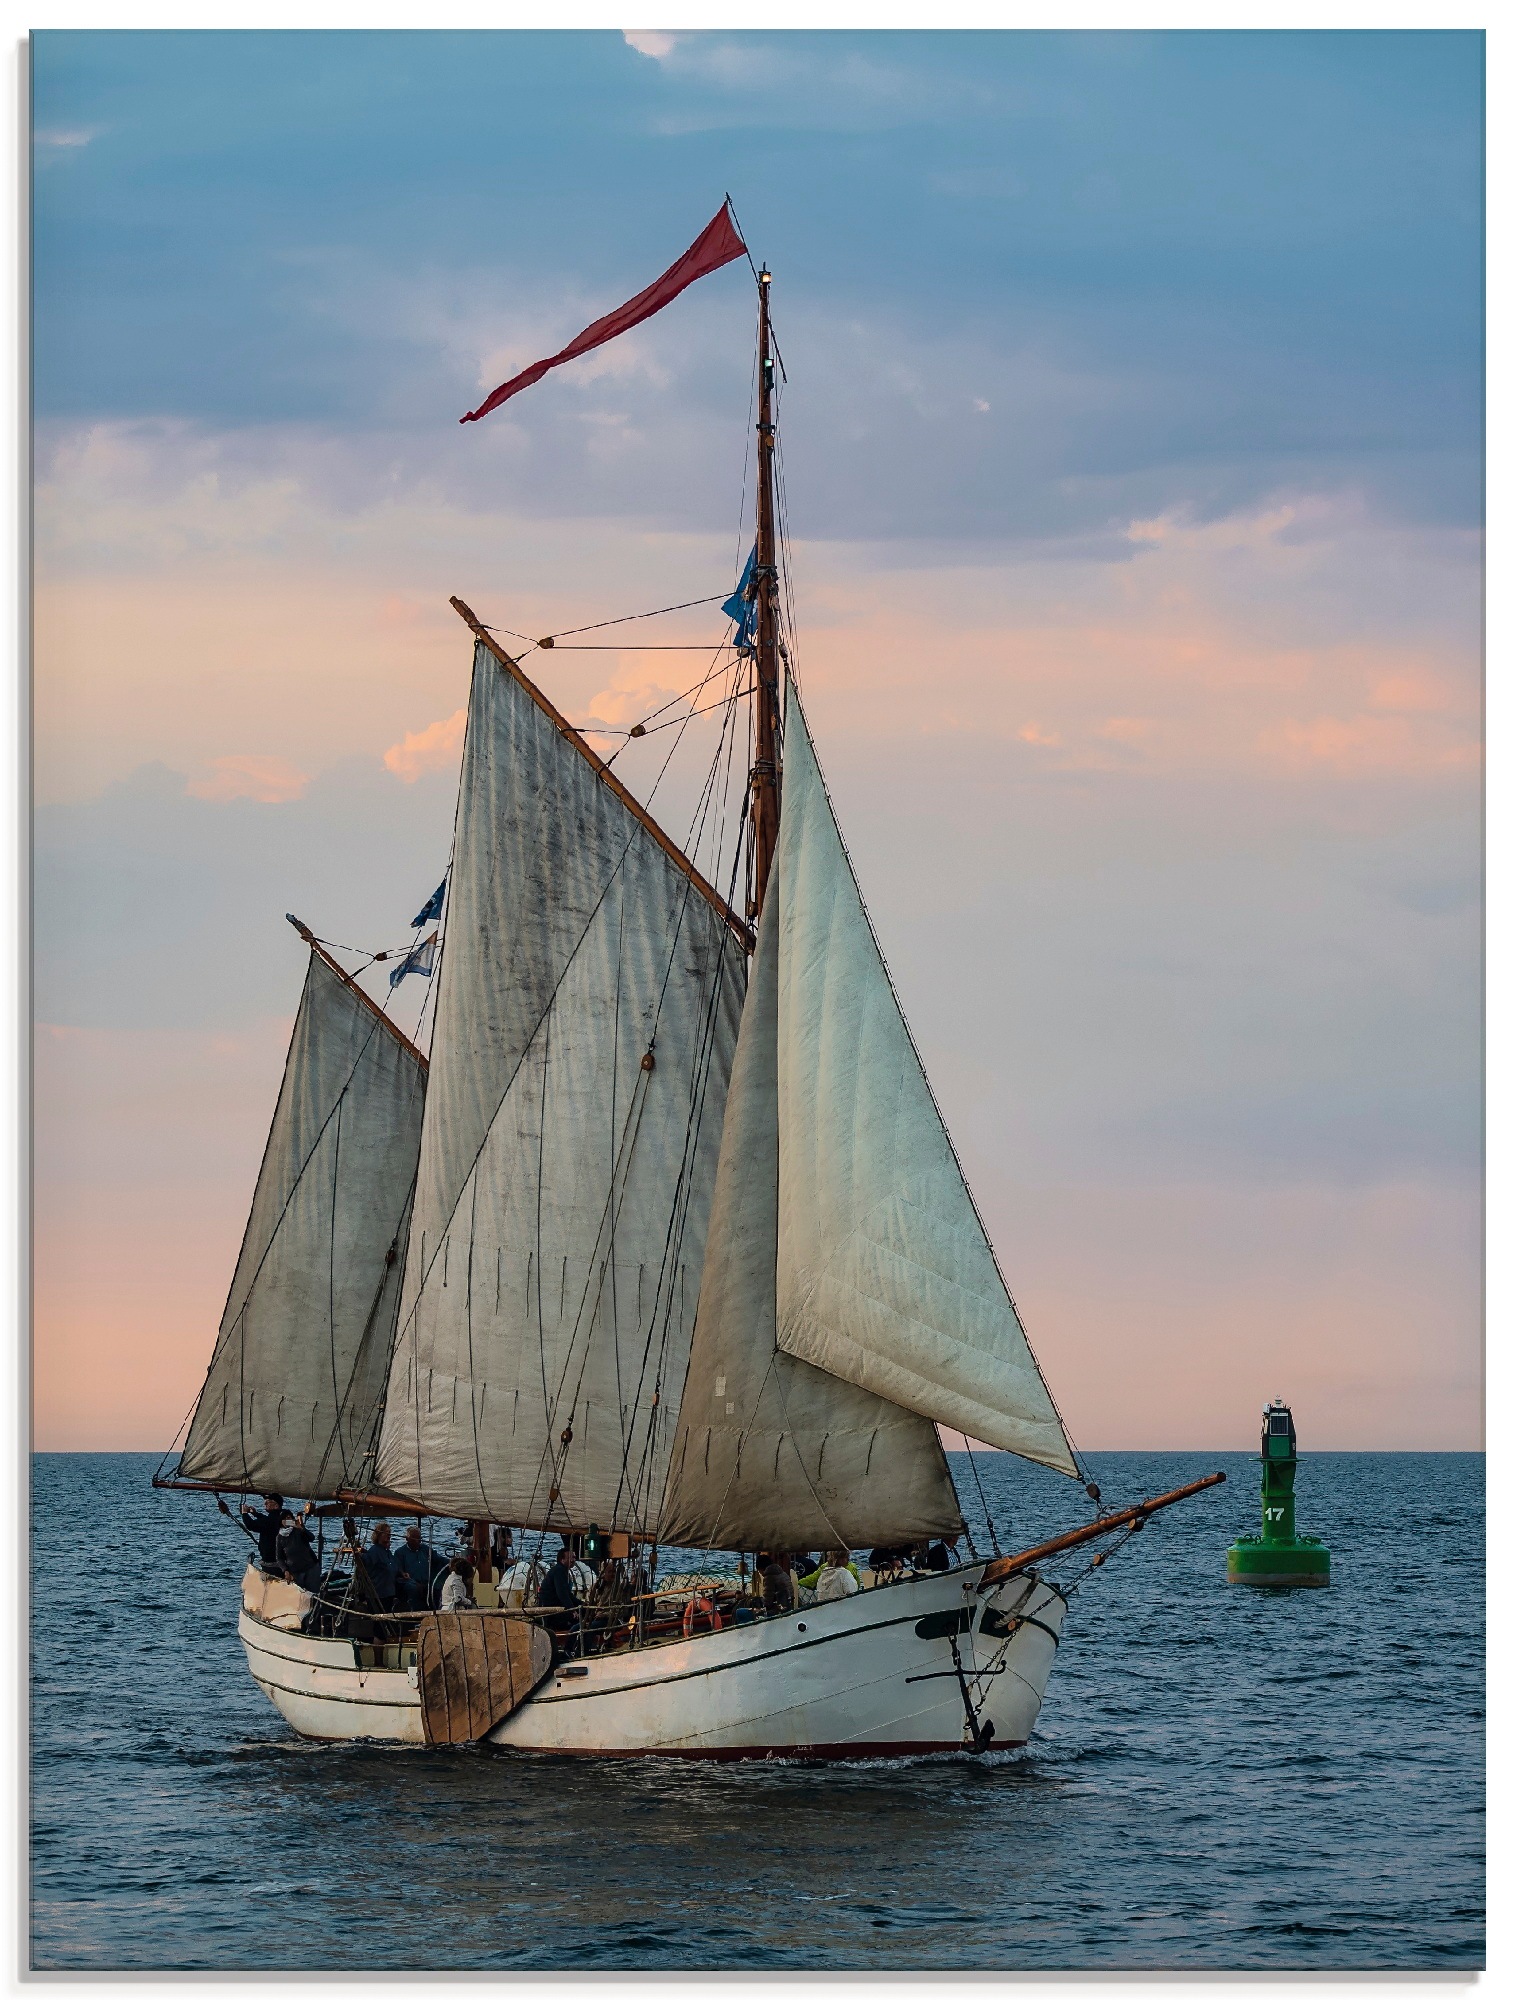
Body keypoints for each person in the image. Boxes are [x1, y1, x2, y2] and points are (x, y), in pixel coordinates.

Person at [536, 1545, 581, 1651]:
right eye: (571, 1558)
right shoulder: (559, 1571)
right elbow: (562, 1594)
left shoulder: (562, 1571)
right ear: (562, 1559)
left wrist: (581, 1603)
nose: (573, 1560)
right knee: (577, 1620)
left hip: (556, 1604)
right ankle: (570, 1647)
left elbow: (567, 1594)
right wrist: (572, 1610)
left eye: (574, 1557)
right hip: (551, 1608)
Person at [224, 1493, 284, 1569]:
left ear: (276, 1505)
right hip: (282, 1561)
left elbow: (251, 1525)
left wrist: (244, 1513)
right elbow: (269, 1521)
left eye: (269, 1502)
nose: (265, 1503)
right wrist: (256, 1514)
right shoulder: (282, 1517)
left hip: (272, 1563)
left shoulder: (269, 1520)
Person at [394, 1524, 443, 1612]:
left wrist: (452, 1562)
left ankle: (435, 1612)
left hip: (427, 1582)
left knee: (436, 1588)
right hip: (410, 1583)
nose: (418, 1541)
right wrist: (414, 1583)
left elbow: (438, 1558)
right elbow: (399, 1573)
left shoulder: (425, 1549)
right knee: (413, 1589)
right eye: (415, 1538)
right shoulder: (400, 1553)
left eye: (419, 1538)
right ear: (407, 1539)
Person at [276, 1509, 321, 1594]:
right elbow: (279, 1557)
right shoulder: (280, 1537)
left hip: (310, 1567)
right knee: (299, 1593)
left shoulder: (298, 1531)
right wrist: (285, 1570)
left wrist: (301, 1528)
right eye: (285, 1519)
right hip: (295, 1571)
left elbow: (311, 1538)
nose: (288, 1521)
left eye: (289, 1518)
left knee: (313, 1592)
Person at [361, 1522, 398, 1611]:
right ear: (379, 1535)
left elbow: (393, 1566)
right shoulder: (374, 1551)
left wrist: (401, 1573)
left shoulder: (387, 1552)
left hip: (389, 1592)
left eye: (390, 1532)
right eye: (386, 1533)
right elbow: (366, 1565)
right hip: (378, 1593)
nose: (389, 1535)